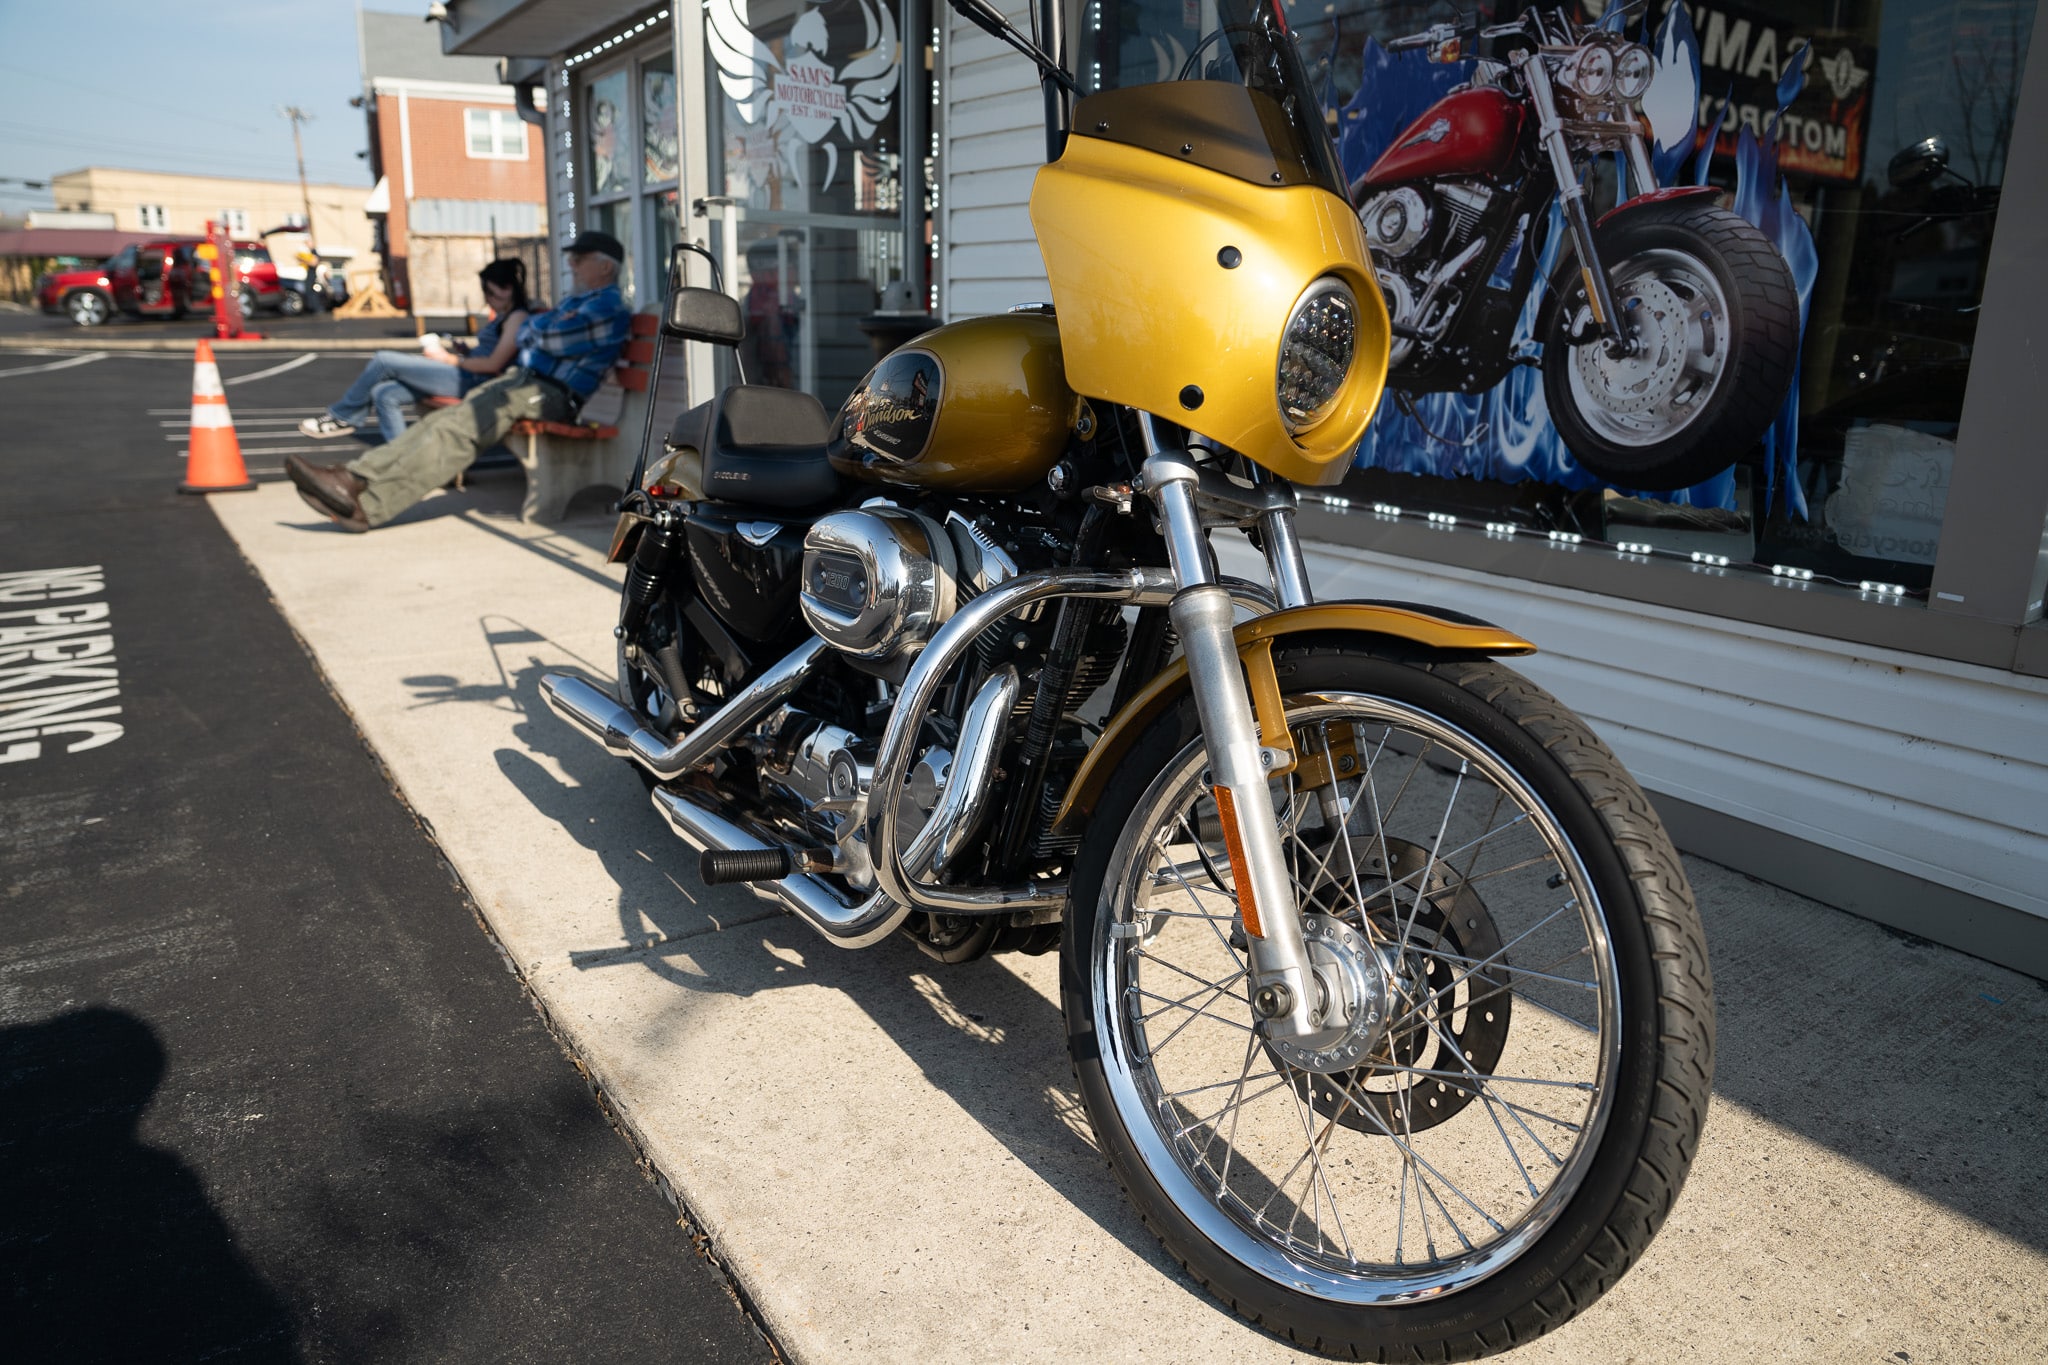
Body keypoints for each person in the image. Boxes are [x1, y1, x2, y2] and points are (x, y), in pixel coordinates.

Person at [285, 232, 633, 533]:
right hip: (525, 384)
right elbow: (531, 332)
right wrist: (544, 328)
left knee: (457, 432)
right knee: (441, 421)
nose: (571, 263)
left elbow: (546, 336)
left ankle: (368, 507)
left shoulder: (608, 306)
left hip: (552, 396)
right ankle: (351, 478)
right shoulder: (578, 301)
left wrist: (542, 329)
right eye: (571, 257)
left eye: (580, 258)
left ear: (605, 267)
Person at [298, 259, 534, 443]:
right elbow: (488, 353)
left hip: (474, 381)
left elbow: (494, 364)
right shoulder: (504, 316)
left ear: (507, 289)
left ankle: (344, 416)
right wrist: (465, 352)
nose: (488, 299)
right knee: (384, 393)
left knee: (384, 361)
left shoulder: (518, 317)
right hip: (467, 372)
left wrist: (449, 359)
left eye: (490, 293)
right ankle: (401, 461)